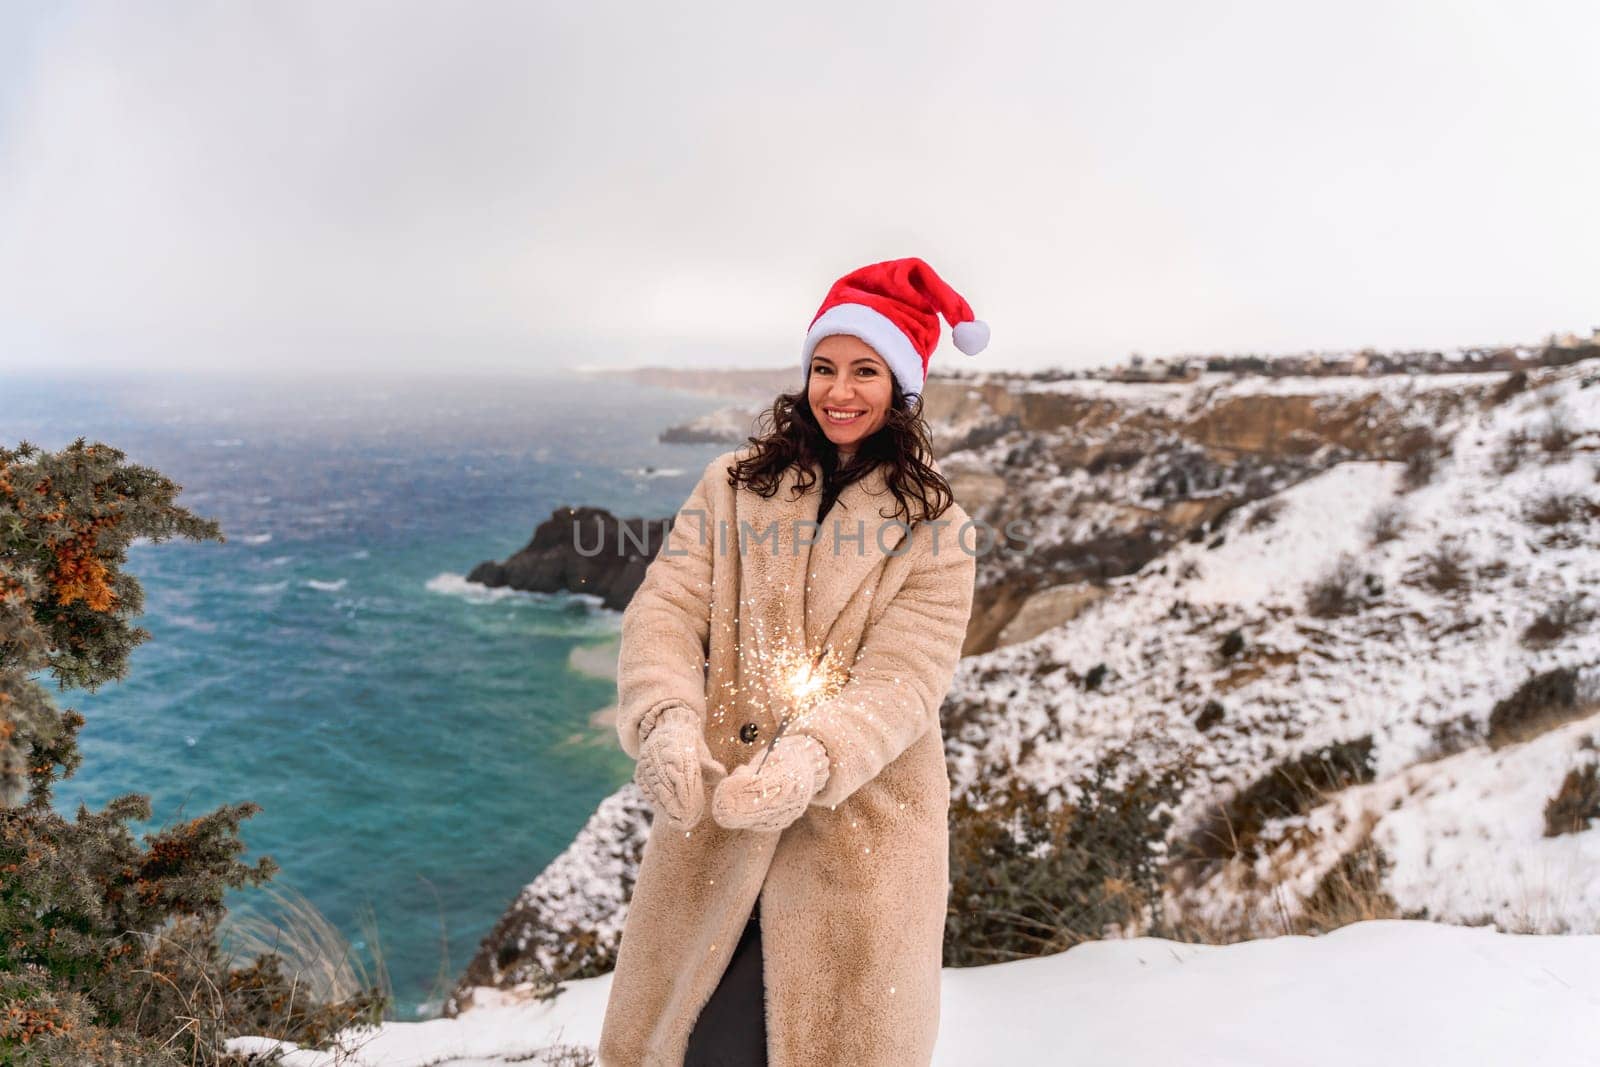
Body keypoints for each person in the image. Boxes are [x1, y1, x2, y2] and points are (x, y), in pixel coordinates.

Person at [599, 258, 987, 1067]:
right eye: (824, 368)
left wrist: (813, 757)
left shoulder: (939, 527)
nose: (838, 391)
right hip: (720, 811)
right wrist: (668, 716)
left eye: (865, 371)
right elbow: (667, 606)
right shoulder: (732, 487)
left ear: (901, 388)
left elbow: (906, 680)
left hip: (858, 831)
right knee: (689, 1045)